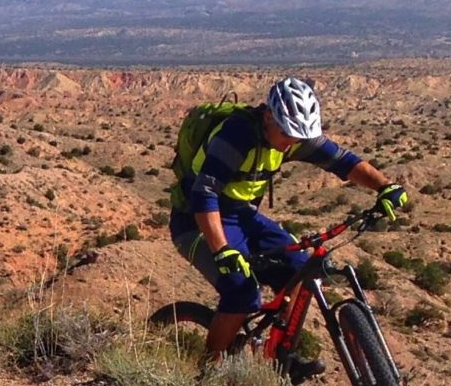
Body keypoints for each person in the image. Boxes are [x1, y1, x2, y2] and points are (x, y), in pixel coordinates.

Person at [169, 77, 409, 368]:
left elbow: (346, 163)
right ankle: (207, 373)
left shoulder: (294, 138)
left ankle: (282, 355)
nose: (290, 143)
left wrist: (385, 186)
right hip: (196, 220)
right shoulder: (237, 136)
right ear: (269, 117)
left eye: (298, 137)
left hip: (243, 215)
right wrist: (222, 249)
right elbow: (204, 193)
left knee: (301, 270)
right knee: (241, 292)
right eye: (287, 134)